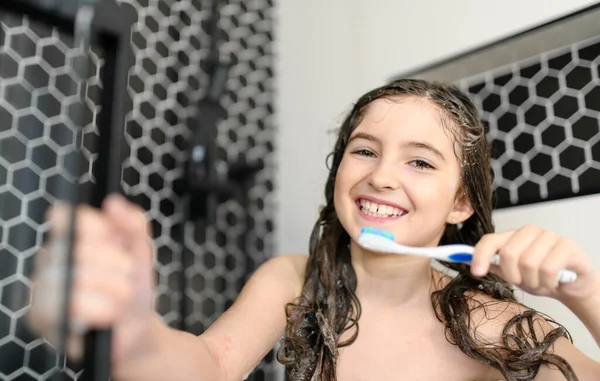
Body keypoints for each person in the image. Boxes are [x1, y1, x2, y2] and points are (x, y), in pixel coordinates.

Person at [29, 79, 600, 381]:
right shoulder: (292, 283)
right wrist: (132, 335)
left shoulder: (491, 326)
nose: (380, 177)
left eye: (420, 162)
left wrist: (585, 293)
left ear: (460, 204)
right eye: (364, 150)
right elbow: (208, 367)